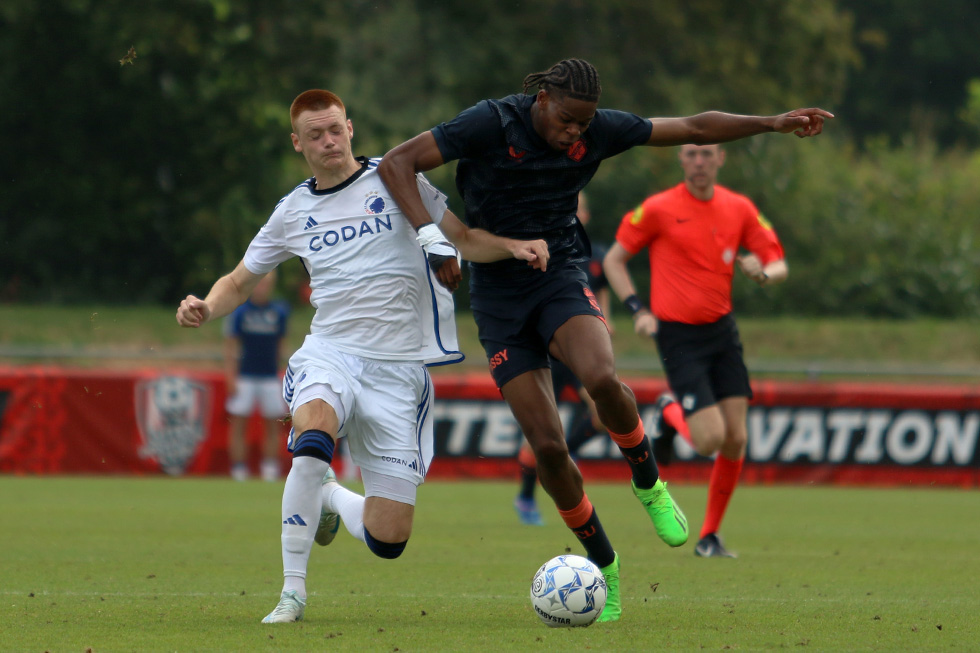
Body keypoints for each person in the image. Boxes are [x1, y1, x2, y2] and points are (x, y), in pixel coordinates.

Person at [378, 58, 830, 621]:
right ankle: (606, 568)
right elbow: (396, 164)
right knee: (547, 447)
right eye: (568, 120)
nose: (576, 133)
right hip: (497, 296)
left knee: (600, 377)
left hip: (560, 273)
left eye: (584, 123)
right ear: (542, 100)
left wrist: (772, 122)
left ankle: (648, 481)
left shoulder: (597, 128)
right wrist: (432, 240)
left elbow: (691, 127)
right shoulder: (489, 123)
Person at [176, 89, 548, 624]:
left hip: (399, 373)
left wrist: (513, 245)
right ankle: (292, 593)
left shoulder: (396, 179)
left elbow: (462, 237)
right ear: (297, 143)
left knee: (388, 538)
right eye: (314, 135)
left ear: (350, 128)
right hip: (332, 353)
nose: (327, 141)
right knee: (314, 435)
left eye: (334, 130)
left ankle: (328, 498)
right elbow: (238, 281)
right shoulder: (293, 211)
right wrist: (205, 307)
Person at [603, 143, 789, 559]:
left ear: (721, 158)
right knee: (709, 441)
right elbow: (615, 260)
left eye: (706, 154)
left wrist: (763, 273)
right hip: (678, 336)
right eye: (691, 154)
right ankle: (669, 409)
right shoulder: (658, 208)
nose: (699, 162)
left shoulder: (739, 208)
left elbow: (778, 263)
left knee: (737, 439)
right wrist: (638, 309)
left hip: (722, 332)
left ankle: (709, 537)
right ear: (681, 160)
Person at [514, 192, 612, 526]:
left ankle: (564, 457)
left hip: (580, 350)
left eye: (580, 207)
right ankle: (526, 497)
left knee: (604, 415)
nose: (576, 212)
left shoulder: (595, 254)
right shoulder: (541, 245)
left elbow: (600, 294)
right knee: (541, 432)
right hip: (548, 350)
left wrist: (604, 323)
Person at [222, 269, 290, 482]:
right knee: (239, 423)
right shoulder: (241, 312)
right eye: (258, 284)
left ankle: (270, 469)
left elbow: (281, 345)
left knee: (273, 424)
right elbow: (232, 346)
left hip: (270, 376)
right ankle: (238, 470)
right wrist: (230, 375)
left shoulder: (279, 311)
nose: (262, 288)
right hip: (245, 376)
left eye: (266, 284)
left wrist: (285, 373)